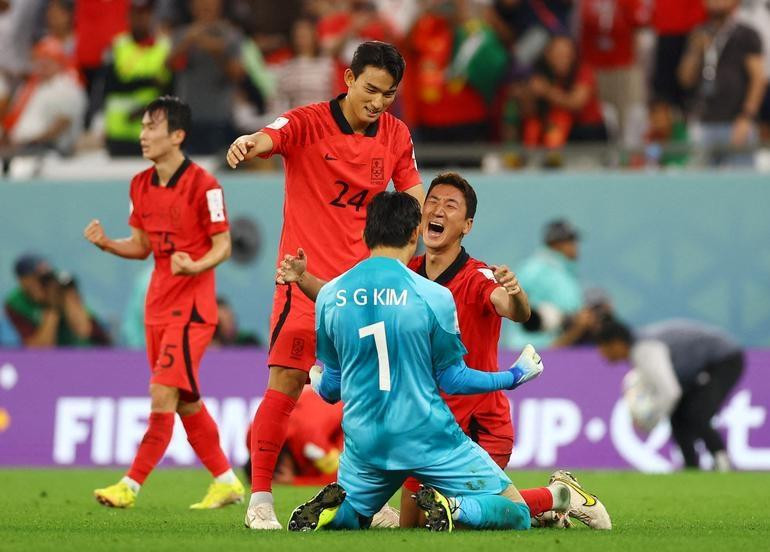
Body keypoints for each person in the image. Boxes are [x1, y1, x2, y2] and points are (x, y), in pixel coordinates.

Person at [278, 173, 613, 530]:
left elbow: (512, 309)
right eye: (432, 202)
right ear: (417, 224)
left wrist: (515, 294)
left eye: (449, 205)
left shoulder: (477, 275)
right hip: (422, 423)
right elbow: (351, 296)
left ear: (466, 225)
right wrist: (305, 279)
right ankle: (544, 510)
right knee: (420, 524)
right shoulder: (411, 276)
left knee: (459, 514)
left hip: (476, 425)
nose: (436, 209)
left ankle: (559, 495)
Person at [226, 40, 424, 530]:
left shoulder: (395, 134)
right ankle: (261, 501)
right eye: (371, 89)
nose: (378, 103)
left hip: (365, 295)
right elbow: (271, 135)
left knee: (371, 398)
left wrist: (420, 239)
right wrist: (251, 142)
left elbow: (413, 197)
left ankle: (366, 500)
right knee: (285, 385)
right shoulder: (309, 122)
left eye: (389, 94)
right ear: (349, 80)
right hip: (302, 285)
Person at [83, 96, 245, 509]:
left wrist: (195, 266)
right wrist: (107, 245)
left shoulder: (205, 186)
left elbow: (222, 246)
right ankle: (226, 480)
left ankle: (130, 485)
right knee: (185, 400)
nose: (143, 136)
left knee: (161, 394)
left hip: (191, 309)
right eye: (141, 128)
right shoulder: (139, 185)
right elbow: (140, 246)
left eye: (152, 127)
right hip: (156, 306)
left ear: (177, 135)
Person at [597, 318, 744, 471]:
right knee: (678, 415)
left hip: (724, 359)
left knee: (697, 413)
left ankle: (722, 461)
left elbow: (670, 392)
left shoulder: (644, 349)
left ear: (616, 343)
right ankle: (691, 467)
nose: (602, 354)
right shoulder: (642, 347)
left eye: (602, 347)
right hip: (700, 367)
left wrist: (650, 421)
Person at [678, 0, 765, 166]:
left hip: (735, 123)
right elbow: (685, 79)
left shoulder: (746, 34)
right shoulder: (699, 33)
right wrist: (696, 52)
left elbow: (757, 79)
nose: (715, 2)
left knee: (740, 184)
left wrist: (747, 117)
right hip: (704, 121)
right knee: (701, 186)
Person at [101, 0, 172, 157]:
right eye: (137, 14)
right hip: (119, 132)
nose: (141, 19)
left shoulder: (164, 47)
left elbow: (169, 88)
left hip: (153, 134)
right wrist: (150, 81)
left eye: (145, 14)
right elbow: (111, 85)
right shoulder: (117, 45)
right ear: (129, 16)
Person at [506, 218, 584, 350]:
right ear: (556, 244)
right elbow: (514, 305)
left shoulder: (560, 270)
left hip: (549, 347)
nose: (575, 245)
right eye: (570, 240)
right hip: (534, 348)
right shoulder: (538, 269)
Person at [4, 253, 110, 348]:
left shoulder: (62, 288)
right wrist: (53, 307)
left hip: (88, 353)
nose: (44, 284)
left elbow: (83, 330)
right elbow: (41, 347)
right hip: (49, 360)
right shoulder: (16, 303)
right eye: (39, 279)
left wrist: (65, 298)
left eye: (47, 277)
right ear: (23, 281)